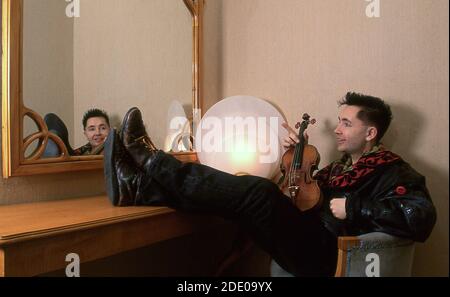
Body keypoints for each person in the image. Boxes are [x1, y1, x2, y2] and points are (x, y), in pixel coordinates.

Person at [103, 92, 436, 276]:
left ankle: (153, 163)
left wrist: (355, 206)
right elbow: (300, 200)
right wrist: (291, 153)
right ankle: (138, 187)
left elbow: (420, 218)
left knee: (257, 192)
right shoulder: (336, 169)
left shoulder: (393, 171)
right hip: (306, 242)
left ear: (371, 133)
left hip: (329, 257)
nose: (337, 130)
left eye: (346, 124)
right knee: (248, 188)